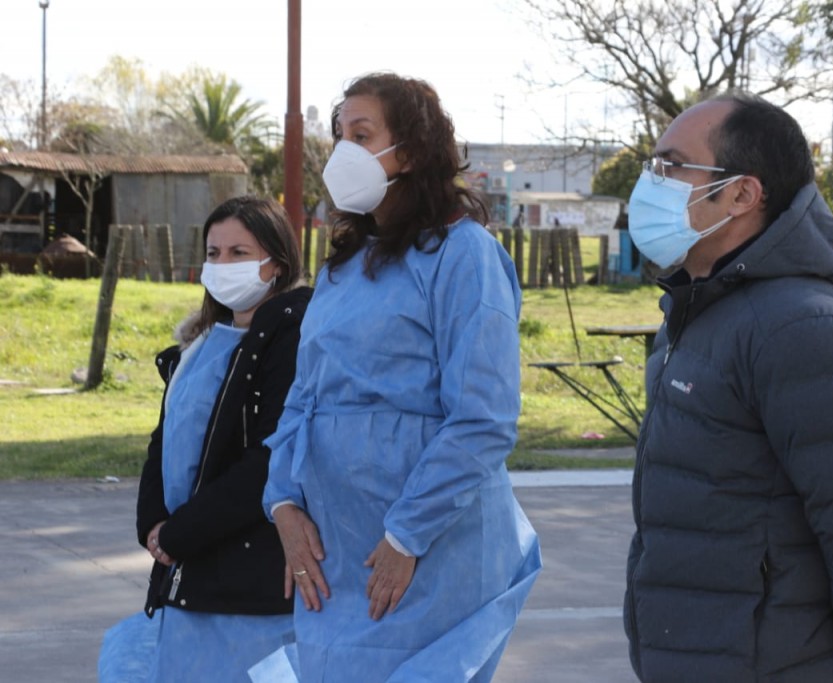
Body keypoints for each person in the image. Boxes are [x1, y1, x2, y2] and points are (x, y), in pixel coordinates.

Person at [622, 93, 833, 682]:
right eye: (651, 166)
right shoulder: (697, 311)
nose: (650, 183)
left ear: (742, 194)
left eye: (671, 166)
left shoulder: (801, 329)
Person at [260, 72, 541, 682]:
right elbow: (302, 398)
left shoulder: (464, 255)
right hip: (336, 556)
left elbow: (484, 418)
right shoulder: (341, 268)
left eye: (361, 135)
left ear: (409, 152)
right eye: (339, 136)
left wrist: (407, 536)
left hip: (427, 555)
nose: (343, 152)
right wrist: (282, 502)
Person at [100, 196, 313, 682]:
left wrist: (180, 535)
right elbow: (164, 439)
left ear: (277, 264)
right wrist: (153, 524)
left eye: (240, 253)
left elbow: (268, 459)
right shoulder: (200, 345)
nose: (222, 265)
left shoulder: (294, 337)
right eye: (214, 253)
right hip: (187, 568)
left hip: (251, 579)